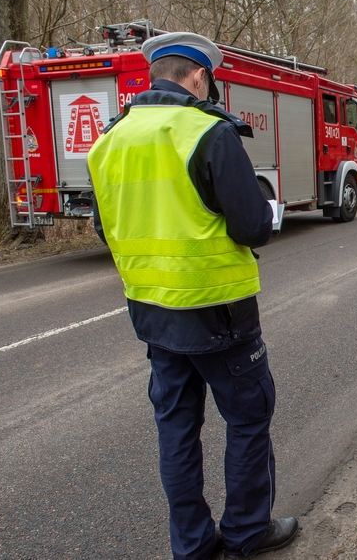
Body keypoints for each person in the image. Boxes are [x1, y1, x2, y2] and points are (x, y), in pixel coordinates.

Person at [87, 32, 298, 560]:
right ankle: (248, 533)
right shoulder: (209, 133)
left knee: (177, 430)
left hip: (153, 314)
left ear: (155, 74)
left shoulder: (110, 139)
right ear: (200, 76)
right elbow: (253, 227)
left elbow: (102, 226)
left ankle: (193, 546)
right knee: (248, 418)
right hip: (219, 313)